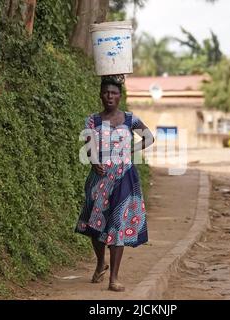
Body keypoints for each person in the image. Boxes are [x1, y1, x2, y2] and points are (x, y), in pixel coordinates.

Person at [75, 75, 155, 292]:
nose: (109, 96)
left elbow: (149, 137)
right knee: (95, 225)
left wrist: (132, 150)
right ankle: (101, 262)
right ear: (100, 95)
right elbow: (89, 146)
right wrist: (94, 162)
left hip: (125, 178)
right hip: (99, 179)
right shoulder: (93, 121)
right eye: (106, 93)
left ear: (120, 96)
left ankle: (114, 278)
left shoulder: (130, 119)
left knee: (117, 223)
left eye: (114, 93)